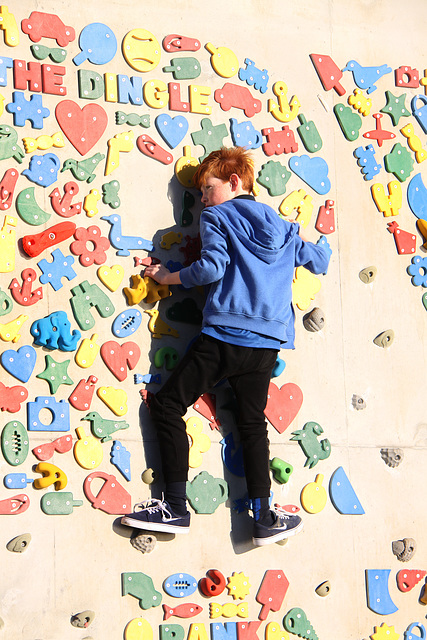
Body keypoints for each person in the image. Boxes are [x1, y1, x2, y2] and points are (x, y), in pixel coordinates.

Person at [121, 147, 330, 546]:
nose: (201, 198)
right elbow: (318, 261)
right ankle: (265, 515)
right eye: (200, 192)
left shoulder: (217, 216)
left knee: (166, 404)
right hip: (267, 344)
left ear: (235, 183)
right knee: (250, 424)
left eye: (207, 188)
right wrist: (310, 239)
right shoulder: (284, 228)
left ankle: (175, 507)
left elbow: (212, 267)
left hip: (224, 337)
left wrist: (169, 273)